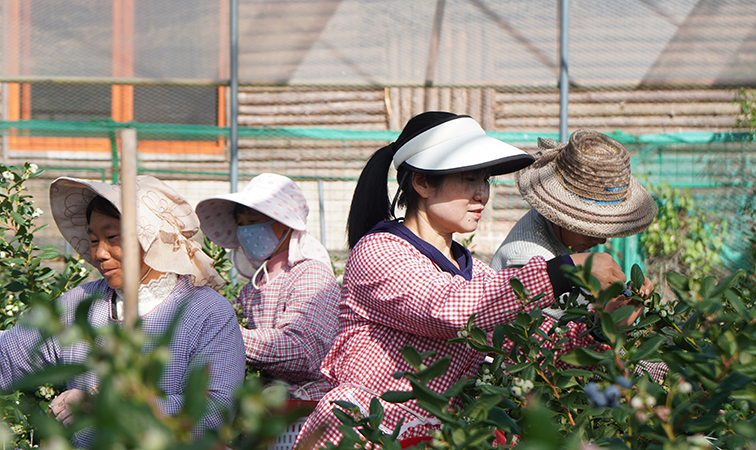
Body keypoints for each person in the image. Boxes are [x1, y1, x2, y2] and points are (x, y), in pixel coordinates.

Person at [293, 112, 647, 449]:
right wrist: (564, 270)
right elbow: (448, 310)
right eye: (469, 178)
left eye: (485, 180)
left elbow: (531, 345)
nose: (482, 194)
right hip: (367, 433)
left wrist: (604, 326)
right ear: (422, 182)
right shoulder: (379, 252)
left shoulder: (474, 272)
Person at [0, 175, 246, 445]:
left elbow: (213, 412)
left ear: (150, 237)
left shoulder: (206, 312)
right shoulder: (78, 306)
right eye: (94, 241)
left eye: (112, 237)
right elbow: (8, 357)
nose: (99, 254)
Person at [490, 130, 667, 380]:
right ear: (560, 214)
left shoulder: (553, 235)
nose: (601, 239)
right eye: (591, 228)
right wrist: (603, 327)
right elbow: (545, 355)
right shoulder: (528, 259)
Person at [196, 174, 340, 401]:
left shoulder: (311, 275)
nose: (245, 231)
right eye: (241, 224)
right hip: (266, 408)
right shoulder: (252, 289)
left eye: (252, 222)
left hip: (306, 409)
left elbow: (303, 352)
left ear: (284, 222)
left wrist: (224, 333)